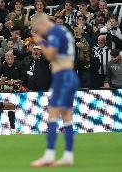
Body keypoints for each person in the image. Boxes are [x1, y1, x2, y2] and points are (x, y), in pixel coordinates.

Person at [30, 14, 79, 167]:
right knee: (66, 116)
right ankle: (68, 156)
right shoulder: (63, 31)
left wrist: (40, 42)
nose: (40, 32)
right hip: (70, 75)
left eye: (39, 29)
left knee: (53, 114)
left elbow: (51, 55)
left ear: (42, 23)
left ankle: (49, 155)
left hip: (62, 77)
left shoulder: (54, 32)